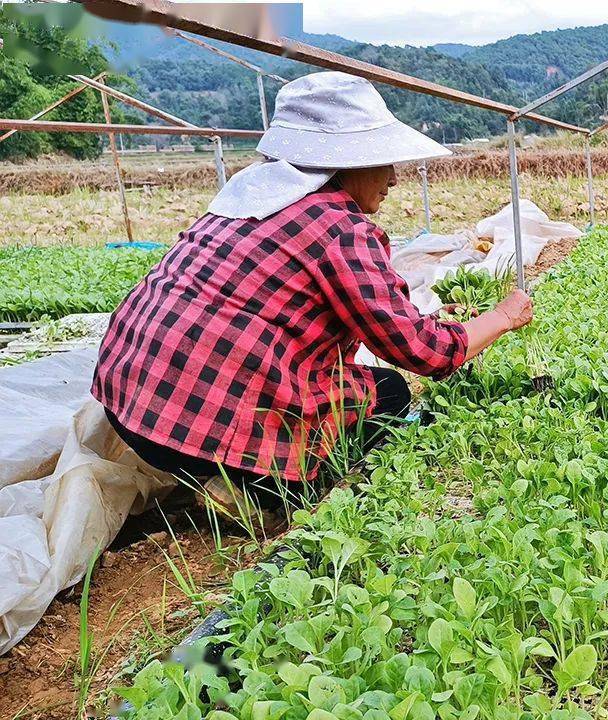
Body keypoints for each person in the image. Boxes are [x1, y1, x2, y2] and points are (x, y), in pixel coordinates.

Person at [92, 72, 533, 509]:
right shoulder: (339, 228)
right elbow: (422, 351)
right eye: (384, 162)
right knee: (389, 392)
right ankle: (254, 489)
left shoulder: (243, 198)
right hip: (204, 427)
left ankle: (214, 474)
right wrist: (503, 317)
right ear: (347, 164)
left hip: (130, 409)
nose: (394, 179)